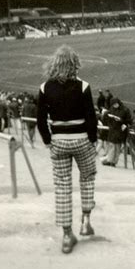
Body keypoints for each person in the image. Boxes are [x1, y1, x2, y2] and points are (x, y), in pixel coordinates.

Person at [36, 45, 98, 254]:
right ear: (75, 64)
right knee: (87, 178)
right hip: (81, 140)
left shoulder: (45, 88)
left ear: (55, 63)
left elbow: (40, 119)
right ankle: (85, 221)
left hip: (59, 141)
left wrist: (47, 140)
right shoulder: (83, 86)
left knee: (62, 187)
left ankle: (66, 235)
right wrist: (93, 140)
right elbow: (91, 117)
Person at [101, 98, 130, 167]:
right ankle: (110, 160)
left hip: (120, 130)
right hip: (113, 130)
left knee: (117, 147)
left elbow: (128, 120)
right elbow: (107, 118)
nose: (115, 106)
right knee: (112, 146)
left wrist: (121, 120)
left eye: (116, 104)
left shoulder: (125, 110)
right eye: (113, 105)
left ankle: (114, 161)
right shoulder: (112, 109)